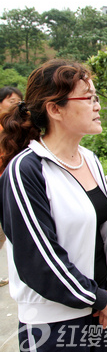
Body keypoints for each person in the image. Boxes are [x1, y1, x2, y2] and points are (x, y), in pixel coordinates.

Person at [0, 59, 107, 351]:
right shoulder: (25, 171)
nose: (97, 106)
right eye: (88, 98)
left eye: (96, 97)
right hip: (52, 325)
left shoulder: (90, 160)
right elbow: (40, 260)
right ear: (55, 109)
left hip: (100, 316)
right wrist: (101, 299)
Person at [0, 86, 24, 287]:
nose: (15, 104)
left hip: (14, 184)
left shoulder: (20, 127)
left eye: (18, 101)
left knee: (11, 235)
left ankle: (15, 274)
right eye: (11, 101)